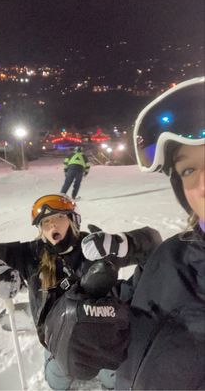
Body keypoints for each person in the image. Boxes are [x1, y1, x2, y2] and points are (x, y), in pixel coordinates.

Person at [81, 76, 205, 390]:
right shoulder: (173, 255)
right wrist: (82, 320)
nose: (203, 185)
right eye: (188, 170)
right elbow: (120, 312)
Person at [0, 193, 161, 390]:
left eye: (59, 218)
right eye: (46, 222)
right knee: (57, 382)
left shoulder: (95, 247)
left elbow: (154, 244)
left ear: (72, 220)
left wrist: (121, 243)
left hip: (100, 333)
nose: (52, 225)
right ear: (40, 230)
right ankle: (37, 313)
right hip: (56, 338)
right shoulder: (32, 253)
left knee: (114, 380)